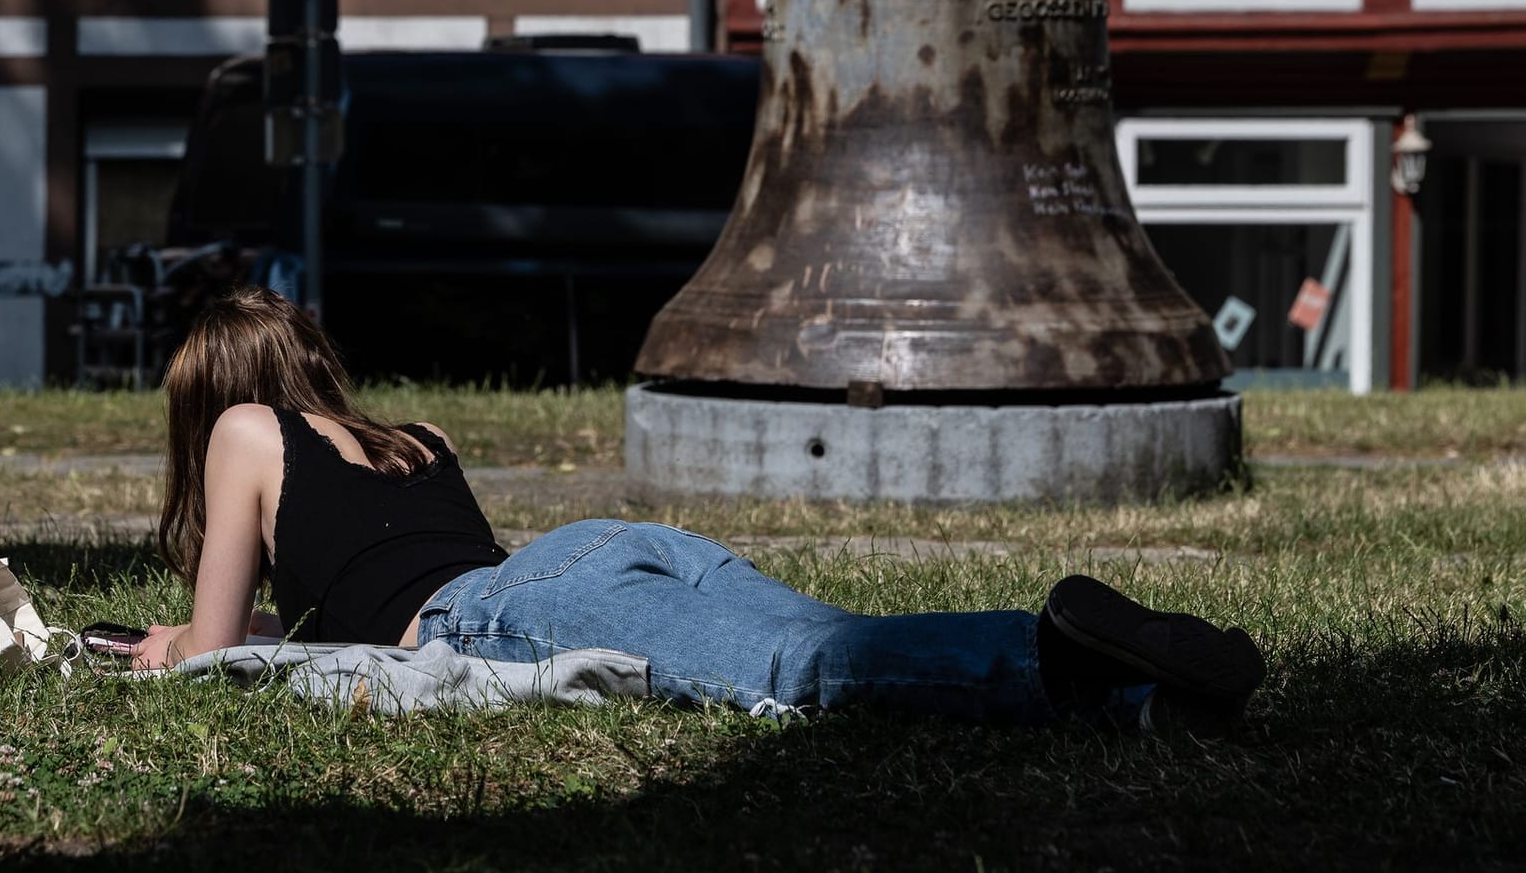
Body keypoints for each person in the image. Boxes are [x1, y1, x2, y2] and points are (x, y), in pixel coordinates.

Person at [134, 287, 1265, 732]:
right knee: (812, 632)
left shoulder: (246, 430)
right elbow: (372, 565)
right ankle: (1138, 692)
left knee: (807, 669)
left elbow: (217, 644)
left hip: (506, 603)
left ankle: (1047, 647)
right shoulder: (417, 440)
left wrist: (162, 645)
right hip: (602, 547)